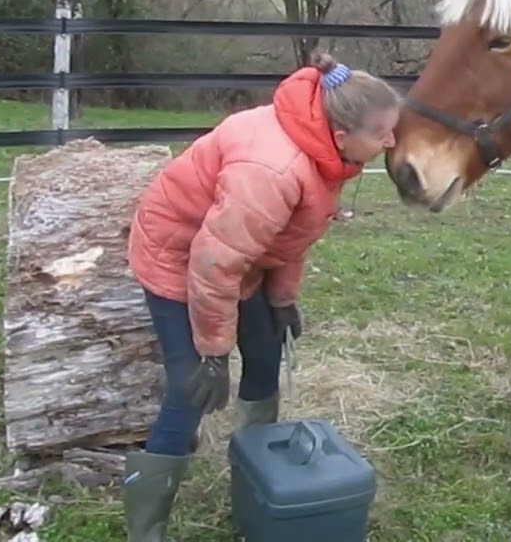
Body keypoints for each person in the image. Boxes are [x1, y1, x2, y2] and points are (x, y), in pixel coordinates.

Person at [121, 54, 401, 540]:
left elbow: (289, 233)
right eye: (381, 133)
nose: (391, 141)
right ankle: (146, 530)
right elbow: (213, 263)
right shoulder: (272, 169)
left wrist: (280, 299)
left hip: (234, 255)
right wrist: (211, 353)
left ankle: (255, 479)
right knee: (189, 391)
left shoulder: (324, 153)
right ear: (341, 135)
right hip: (179, 254)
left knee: (265, 351)